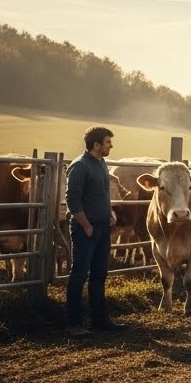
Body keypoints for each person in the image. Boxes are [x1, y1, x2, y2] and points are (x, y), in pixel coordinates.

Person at [65, 126, 122, 335]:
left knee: (99, 274)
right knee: (79, 274)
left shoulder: (101, 163)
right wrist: (86, 225)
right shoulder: (80, 166)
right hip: (86, 229)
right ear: (96, 145)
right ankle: (73, 324)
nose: (111, 146)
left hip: (103, 227)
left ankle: (99, 320)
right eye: (108, 142)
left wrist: (110, 213)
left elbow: (102, 194)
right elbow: (72, 199)